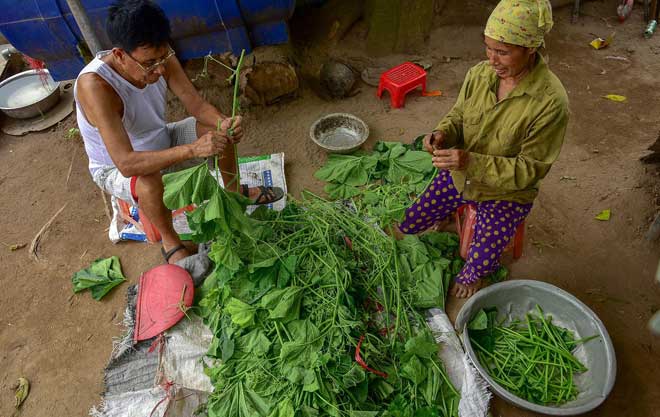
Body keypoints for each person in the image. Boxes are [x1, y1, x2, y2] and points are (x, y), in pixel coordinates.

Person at [74, 0, 283, 264]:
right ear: (119, 55)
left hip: (163, 139)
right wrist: (193, 150)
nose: (160, 69)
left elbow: (195, 104)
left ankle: (233, 200)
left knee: (217, 132)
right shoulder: (95, 86)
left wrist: (223, 122)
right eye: (150, 63)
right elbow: (126, 163)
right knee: (149, 182)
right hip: (115, 167)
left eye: (162, 58)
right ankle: (171, 243)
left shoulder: (161, 55)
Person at [399, 0, 568, 298]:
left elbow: (529, 171)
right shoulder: (479, 74)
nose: (492, 59)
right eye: (488, 48)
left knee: (479, 255)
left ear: (530, 49)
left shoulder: (550, 102)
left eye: (503, 52)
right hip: (462, 174)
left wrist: (471, 162)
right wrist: (442, 133)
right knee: (414, 218)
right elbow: (459, 115)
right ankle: (449, 215)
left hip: (507, 192)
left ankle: (474, 275)